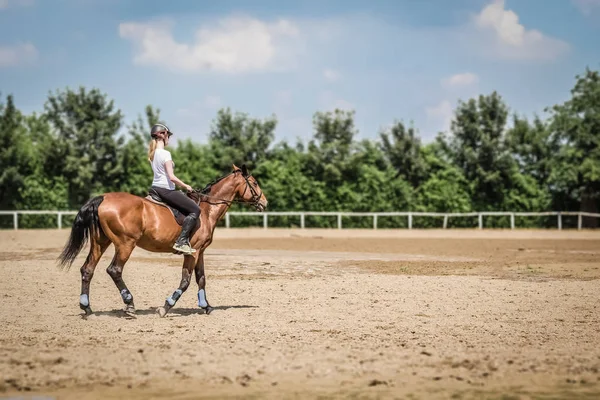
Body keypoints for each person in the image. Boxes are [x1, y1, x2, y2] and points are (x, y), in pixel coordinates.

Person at [147, 123, 199, 256]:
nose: (169, 138)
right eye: (168, 135)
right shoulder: (165, 154)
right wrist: (186, 186)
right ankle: (181, 241)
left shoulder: (152, 154)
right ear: (162, 135)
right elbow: (171, 177)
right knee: (195, 210)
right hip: (166, 190)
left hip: (155, 188)